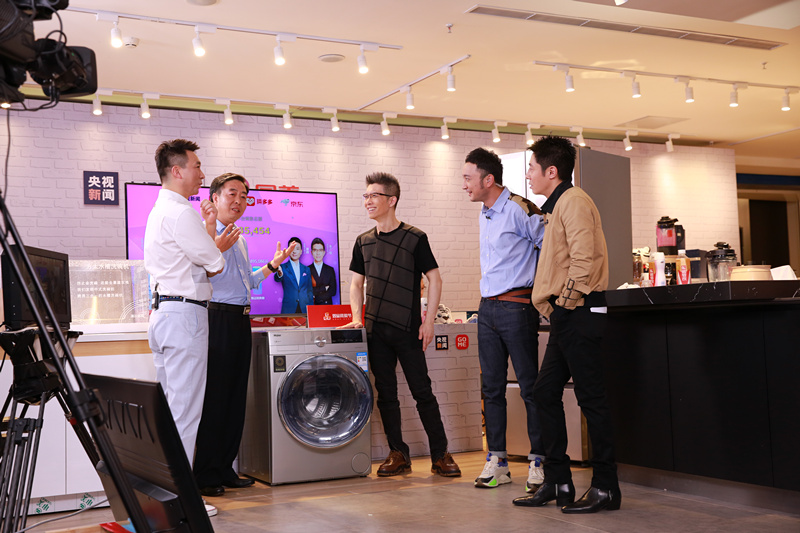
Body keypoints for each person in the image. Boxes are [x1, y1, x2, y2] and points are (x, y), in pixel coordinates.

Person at [512, 136, 621, 513]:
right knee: (544, 393)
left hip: (580, 312)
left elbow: (583, 259)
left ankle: (606, 487)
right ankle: (558, 482)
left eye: (532, 168)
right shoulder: (558, 206)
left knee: (591, 399)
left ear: (551, 171)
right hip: (568, 314)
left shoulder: (573, 201)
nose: (528, 175)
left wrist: (564, 304)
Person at [340, 172, 461, 478]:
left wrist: (428, 322)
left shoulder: (415, 238)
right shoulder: (363, 241)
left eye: (374, 196)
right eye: (366, 196)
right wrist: (357, 317)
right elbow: (356, 284)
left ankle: (441, 455)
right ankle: (398, 454)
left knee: (423, 393)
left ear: (391, 200)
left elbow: (435, 279)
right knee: (386, 395)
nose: (368, 201)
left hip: (408, 329)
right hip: (375, 331)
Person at [193, 173, 296, 497]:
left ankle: (225, 468)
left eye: (243, 196)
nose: (239, 201)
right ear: (214, 198)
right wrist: (214, 245)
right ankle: (205, 474)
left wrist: (272, 265)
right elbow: (200, 274)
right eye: (232, 194)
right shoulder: (204, 234)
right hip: (216, 318)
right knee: (215, 398)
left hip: (240, 320)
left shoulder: (240, 238)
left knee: (236, 397)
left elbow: (248, 282)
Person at [143, 139, 230, 516]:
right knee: (185, 412)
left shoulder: (159, 209)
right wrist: (213, 237)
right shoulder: (180, 212)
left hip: (164, 315)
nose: (202, 173)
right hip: (184, 317)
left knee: (168, 411)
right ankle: (182, 500)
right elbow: (215, 264)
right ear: (176, 171)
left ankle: (164, 493)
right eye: (196, 166)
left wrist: (208, 229)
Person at [461, 147, 547, 492]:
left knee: (530, 388)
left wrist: (543, 295)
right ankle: (497, 461)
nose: (464, 185)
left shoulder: (520, 209)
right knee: (492, 389)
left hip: (517, 307)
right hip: (487, 310)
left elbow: (551, 249)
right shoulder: (484, 213)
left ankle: (539, 462)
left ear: (488, 179)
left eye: (468, 178)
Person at [274, 236, 313, 313]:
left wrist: (311, 309)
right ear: (288, 251)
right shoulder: (283, 267)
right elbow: (276, 278)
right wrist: (279, 274)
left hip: (304, 307)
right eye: (292, 249)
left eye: (297, 249)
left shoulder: (306, 269)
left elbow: (309, 290)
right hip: (289, 307)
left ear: (301, 251)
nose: (294, 251)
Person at [309, 237, 337, 305]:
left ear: (324, 252)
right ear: (311, 252)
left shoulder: (330, 270)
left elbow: (333, 291)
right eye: (315, 250)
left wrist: (318, 297)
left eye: (320, 250)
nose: (318, 253)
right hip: (312, 306)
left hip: (327, 306)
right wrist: (324, 288)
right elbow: (307, 290)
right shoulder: (307, 270)